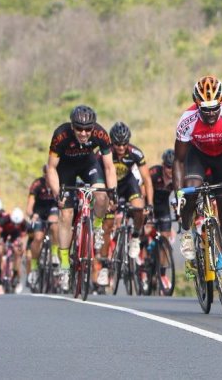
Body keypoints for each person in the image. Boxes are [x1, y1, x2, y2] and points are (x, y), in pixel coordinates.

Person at [174, 75, 222, 299]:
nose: (209, 114)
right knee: (190, 192)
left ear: (221, 103)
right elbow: (178, 161)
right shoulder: (187, 120)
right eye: (204, 109)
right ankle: (187, 232)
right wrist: (179, 193)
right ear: (197, 105)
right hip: (196, 157)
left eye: (213, 108)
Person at [45, 104, 118, 292]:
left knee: (102, 197)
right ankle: (64, 265)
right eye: (79, 128)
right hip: (65, 169)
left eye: (88, 129)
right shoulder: (60, 135)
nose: (84, 133)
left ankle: (98, 227)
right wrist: (57, 192)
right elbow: (51, 168)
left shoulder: (100, 134)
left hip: (88, 165)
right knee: (66, 214)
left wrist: (113, 191)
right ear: (72, 127)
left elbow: (109, 167)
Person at [105, 122, 153, 281]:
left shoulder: (135, 153)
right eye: (117, 143)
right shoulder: (105, 152)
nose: (120, 147)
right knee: (108, 219)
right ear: (112, 142)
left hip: (128, 184)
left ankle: (135, 237)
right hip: (111, 186)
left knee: (138, 208)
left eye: (124, 143)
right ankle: (106, 260)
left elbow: (146, 179)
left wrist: (150, 204)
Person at [25, 165, 58, 289]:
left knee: (54, 224)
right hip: (39, 212)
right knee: (38, 238)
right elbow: (30, 204)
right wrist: (31, 214)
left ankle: (54, 254)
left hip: (53, 211)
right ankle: (34, 267)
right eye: (46, 174)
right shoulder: (37, 184)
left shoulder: (59, 183)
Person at [148, 149, 177, 244]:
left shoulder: (177, 177)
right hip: (149, 204)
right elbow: (142, 189)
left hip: (163, 207)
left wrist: (179, 212)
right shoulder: (154, 172)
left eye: (174, 167)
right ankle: (142, 255)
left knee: (165, 239)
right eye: (169, 167)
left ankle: (163, 257)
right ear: (163, 165)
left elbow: (179, 197)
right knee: (145, 232)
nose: (171, 170)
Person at [0, 208, 28, 293]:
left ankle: (15, 274)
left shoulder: (24, 223)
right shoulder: (5, 219)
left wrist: (22, 247)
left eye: (18, 224)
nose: (16, 225)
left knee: (17, 251)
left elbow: (24, 237)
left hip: (16, 236)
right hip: (4, 234)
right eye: (14, 223)